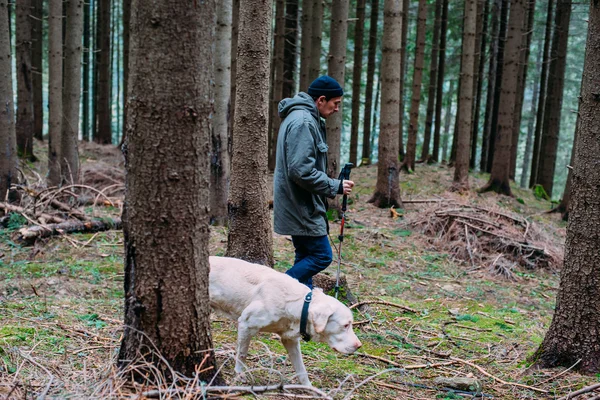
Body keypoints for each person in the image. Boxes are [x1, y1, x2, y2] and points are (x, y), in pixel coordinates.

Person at [273, 75, 354, 289]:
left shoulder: (302, 117)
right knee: (321, 256)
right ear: (321, 100)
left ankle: (300, 309)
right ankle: (275, 287)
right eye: (335, 103)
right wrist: (335, 186)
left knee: (304, 257)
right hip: (301, 205)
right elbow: (301, 171)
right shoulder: (303, 122)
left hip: (299, 202)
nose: (337, 109)